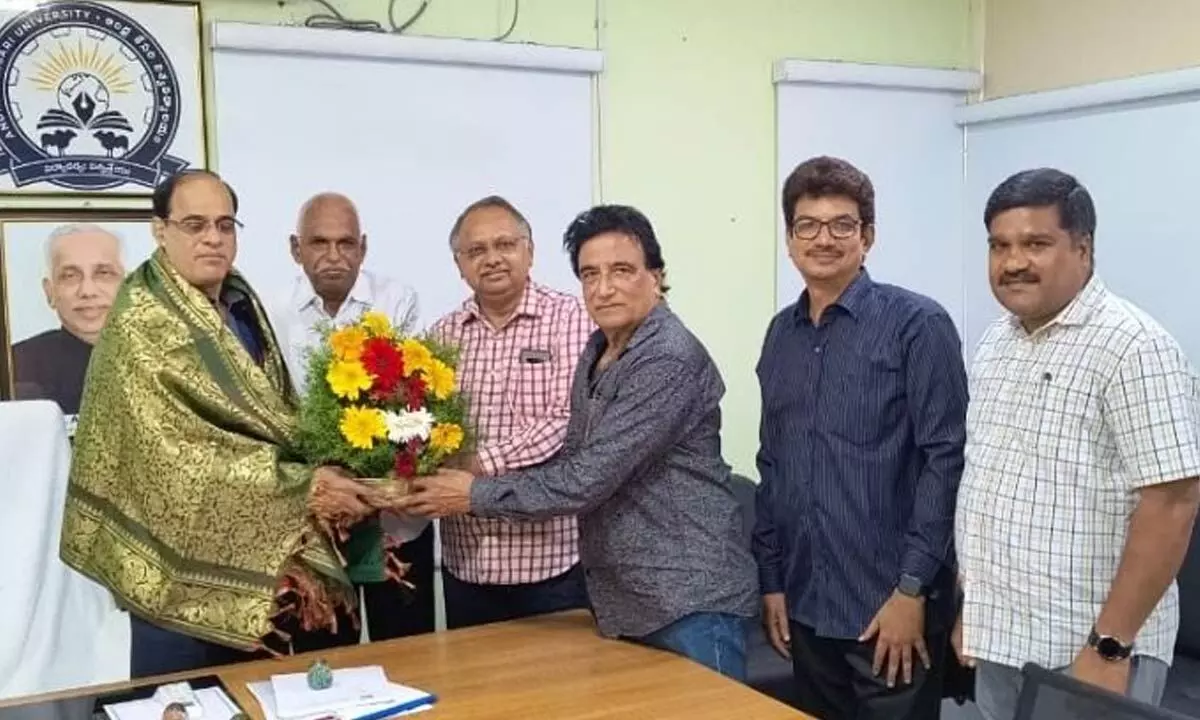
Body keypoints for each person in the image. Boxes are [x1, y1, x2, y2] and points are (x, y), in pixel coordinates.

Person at [401, 204, 759, 680]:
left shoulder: (666, 359)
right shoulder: (601, 348)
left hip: (687, 600)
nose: (604, 287)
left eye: (622, 271)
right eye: (590, 274)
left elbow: (587, 477)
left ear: (657, 276)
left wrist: (473, 492)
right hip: (624, 597)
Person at [59, 170, 386, 677]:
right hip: (172, 578)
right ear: (160, 231)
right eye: (194, 224)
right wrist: (303, 487)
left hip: (257, 570)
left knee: (254, 698)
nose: (213, 237)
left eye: (225, 224)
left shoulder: (239, 302)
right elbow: (171, 460)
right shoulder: (140, 321)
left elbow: (269, 418)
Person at [954, 168, 1200, 719]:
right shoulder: (997, 344)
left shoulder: (1135, 347)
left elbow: (1174, 503)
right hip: (1004, 642)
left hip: (1089, 651)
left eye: (1036, 243)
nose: (1013, 261)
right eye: (1000, 245)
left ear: (1083, 248)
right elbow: (989, 483)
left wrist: (1110, 646)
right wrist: (976, 609)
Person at [753, 156, 968, 719]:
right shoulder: (781, 335)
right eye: (808, 225)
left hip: (887, 609)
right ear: (790, 238)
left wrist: (912, 591)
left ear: (867, 236)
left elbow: (945, 462)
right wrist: (773, 580)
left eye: (842, 225)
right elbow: (772, 463)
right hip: (805, 602)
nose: (824, 239)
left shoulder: (917, 324)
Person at [273, 192, 433, 644]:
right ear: (295, 248)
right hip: (317, 527)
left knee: (408, 653)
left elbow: (415, 400)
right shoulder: (270, 311)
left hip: (395, 524)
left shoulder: (397, 301)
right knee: (325, 659)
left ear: (363, 248)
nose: (333, 257)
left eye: (346, 244)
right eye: (319, 243)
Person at [428, 196, 593, 629]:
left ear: (530, 251)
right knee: (478, 693)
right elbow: (423, 425)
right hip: (467, 561)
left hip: (550, 562)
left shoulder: (573, 319)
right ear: (459, 264)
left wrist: (481, 462)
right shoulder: (440, 336)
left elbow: (569, 419)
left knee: (561, 694)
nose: (492, 259)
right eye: (476, 251)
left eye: (505, 244)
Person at [12, 224, 125, 415]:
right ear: (50, 292)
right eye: (70, 276)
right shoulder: (15, 365)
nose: (87, 291)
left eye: (103, 273)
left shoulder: (169, 358)